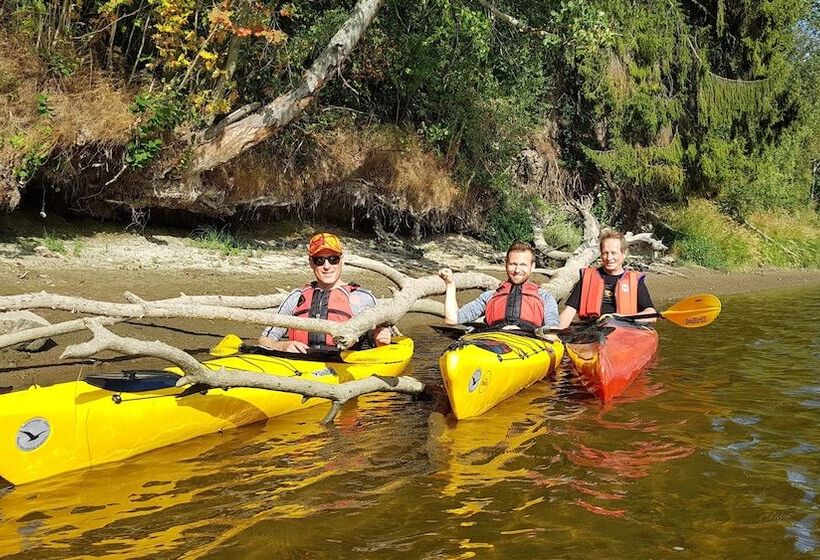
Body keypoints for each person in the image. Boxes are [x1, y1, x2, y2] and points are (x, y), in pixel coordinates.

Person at [258, 232, 391, 353]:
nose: (327, 266)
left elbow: (383, 339)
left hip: (345, 368)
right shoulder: (295, 298)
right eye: (319, 260)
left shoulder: (364, 298)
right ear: (311, 262)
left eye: (333, 259)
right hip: (300, 366)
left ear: (341, 259)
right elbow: (264, 341)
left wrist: (381, 337)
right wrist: (282, 346)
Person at [438, 241, 560, 330]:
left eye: (523, 265)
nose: (517, 270)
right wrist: (450, 284)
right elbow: (452, 319)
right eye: (513, 264)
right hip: (494, 342)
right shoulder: (489, 296)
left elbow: (552, 328)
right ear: (505, 264)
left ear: (532, 267)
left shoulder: (545, 298)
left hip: (528, 344)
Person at [558, 230, 656, 328]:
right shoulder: (587, 278)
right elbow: (569, 311)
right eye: (605, 253)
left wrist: (624, 317)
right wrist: (555, 332)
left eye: (613, 253)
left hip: (624, 330)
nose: (609, 258)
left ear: (624, 253)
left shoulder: (635, 281)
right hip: (591, 330)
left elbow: (651, 314)